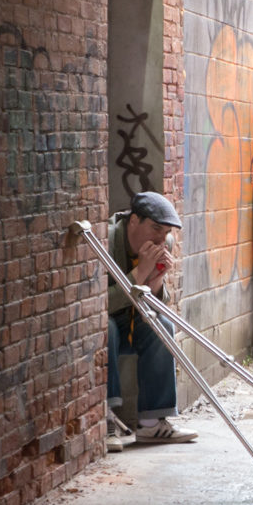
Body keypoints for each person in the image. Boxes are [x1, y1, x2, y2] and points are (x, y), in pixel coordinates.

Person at [106, 192, 198, 447]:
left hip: (133, 320)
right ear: (134, 221)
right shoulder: (108, 239)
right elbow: (99, 305)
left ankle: (152, 423)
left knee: (162, 324)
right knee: (107, 327)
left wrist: (156, 279)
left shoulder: (163, 244)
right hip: (106, 322)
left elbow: (157, 304)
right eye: (155, 228)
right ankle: (106, 422)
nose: (161, 238)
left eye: (166, 231)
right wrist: (140, 273)